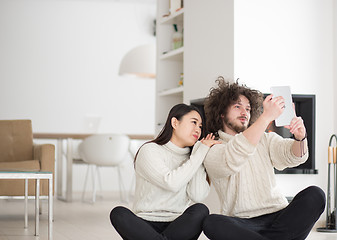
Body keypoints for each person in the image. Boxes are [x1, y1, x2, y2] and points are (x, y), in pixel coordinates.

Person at [202, 77, 325, 240]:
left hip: (279, 217)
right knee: (211, 222)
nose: (244, 112)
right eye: (237, 106)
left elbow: (294, 156)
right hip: (243, 223)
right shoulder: (213, 147)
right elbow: (234, 155)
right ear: (222, 113)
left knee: (316, 195)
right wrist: (266, 117)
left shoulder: (265, 139)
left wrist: (300, 137)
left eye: (247, 108)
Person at [110, 103, 220, 240]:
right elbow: (171, 183)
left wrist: (199, 154)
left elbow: (197, 195)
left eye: (200, 126)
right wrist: (199, 154)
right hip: (145, 223)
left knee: (200, 210)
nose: (198, 129)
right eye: (194, 122)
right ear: (175, 122)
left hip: (178, 225)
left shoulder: (194, 157)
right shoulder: (150, 150)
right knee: (119, 213)